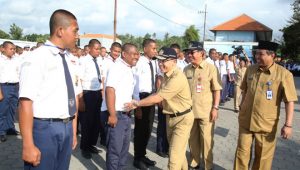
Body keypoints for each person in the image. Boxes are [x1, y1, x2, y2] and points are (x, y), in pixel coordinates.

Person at [19, 9, 81, 170]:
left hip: (67, 127)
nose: (77, 35)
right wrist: (28, 145)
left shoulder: (70, 59)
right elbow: (25, 102)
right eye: (75, 31)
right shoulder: (37, 58)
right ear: (60, 31)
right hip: (45, 129)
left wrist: (73, 131)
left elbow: (72, 98)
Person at [125, 47, 194, 170]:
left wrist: (137, 104)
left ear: (174, 61)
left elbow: (158, 97)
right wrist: (138, 102)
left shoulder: (177, 77)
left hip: (182, 119)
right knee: (179, 154)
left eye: (164, 61)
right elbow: (157, 93)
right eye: (159, 61)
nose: (160, 64)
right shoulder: (167, 75)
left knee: (173, 159)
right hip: (171, 118)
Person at [234, 41, 298, 170]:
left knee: (262, 159)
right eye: (256, 53)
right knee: (241, 154)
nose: (257, 57)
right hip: (246, 121)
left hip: (265, 124)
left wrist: (288, 124)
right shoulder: (251, 69)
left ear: (272, 55)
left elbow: (289, 101)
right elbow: (245, 90)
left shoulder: (284, 74)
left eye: (261, 54)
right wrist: (241, 106)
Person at [183, 42, 222, 170]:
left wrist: (215, 108)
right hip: (190, 112)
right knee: (192, 140)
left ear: (202, 53)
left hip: (206, 112)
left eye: (192, 52)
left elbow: (217, 90)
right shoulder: (186, 69)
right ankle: (194, 163)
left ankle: (207, 166)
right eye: (188, 52)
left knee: (206, 141)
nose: (189, 55)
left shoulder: (211, 68)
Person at [104, 43, 140, 170]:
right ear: (124, 54)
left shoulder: (129, 68)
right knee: (115, 151)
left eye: (137, 54)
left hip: (126, 115)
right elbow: (110, 90)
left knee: (123, 150)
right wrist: (112, 114)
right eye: (134, 54)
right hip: (117, 115)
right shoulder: (117, 67)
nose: (137, 56)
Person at [132, 38, 157, 169]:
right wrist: (138, 105)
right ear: (145, 48)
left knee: (148, 129)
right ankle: (137, 158)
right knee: (140, 130)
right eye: (153, 48)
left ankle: (143, 154)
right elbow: (135, 85)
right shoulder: (139, 63)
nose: (155, 51)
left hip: (151, 97)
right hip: (141, 98)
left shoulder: (152, 62)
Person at [78, 39, 103, 159]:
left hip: (97, 93)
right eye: (96, 49)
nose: (98, 51)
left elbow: (100, 77)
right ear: (90, 48)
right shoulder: (83, 61)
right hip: (87, 94)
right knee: (87, 123)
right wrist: (81, 99)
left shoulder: (98, 61)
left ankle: (91, 144)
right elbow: (79, 80)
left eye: (99, 49)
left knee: (96, 122)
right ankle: (84, 147)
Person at [100, 42, 122, 146]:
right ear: (110, 50)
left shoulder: (118, 62)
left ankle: (108, 141)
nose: (116, 53)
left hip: (116, 95)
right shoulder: (106, 62)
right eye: (115, 51)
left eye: (118, 52)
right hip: (107, 94)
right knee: (106, 119)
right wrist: (103, 95)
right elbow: (103, 80)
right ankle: (105, 140)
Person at [0, 41, 19, 143]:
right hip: (4, 87)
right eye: (11, 49)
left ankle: (10, 128)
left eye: (14, 49)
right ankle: (1, 131)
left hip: (15, 86)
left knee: (12, 109)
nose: (13, 51)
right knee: (3, 110)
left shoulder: (16, 59)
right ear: (3, 49)